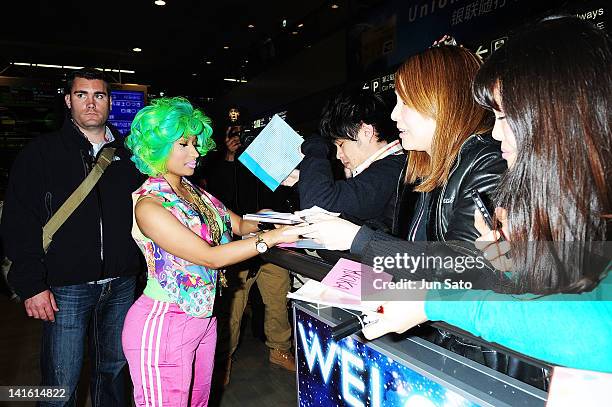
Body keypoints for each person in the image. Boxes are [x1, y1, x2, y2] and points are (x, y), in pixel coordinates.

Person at [355, 16, 612, 373]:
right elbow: (528, 286)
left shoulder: (483, 164)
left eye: (505, 116)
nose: (495, 134)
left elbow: (596, 329)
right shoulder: (428, 170)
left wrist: (433, 300)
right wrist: (501, 254)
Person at [121, 97, 300, 406]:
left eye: (195, 142)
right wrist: (270, 240)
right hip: (165, 322)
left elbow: (240, 224)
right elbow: (209, 256)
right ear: (157, 147)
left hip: (204, 319)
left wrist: (269, 220)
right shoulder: (149, 205)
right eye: (184, 144)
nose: (196, 152)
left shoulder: (193, 191)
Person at [1, 68, 144, 405]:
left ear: (109, 102)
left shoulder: (132, 157)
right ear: (68, 101)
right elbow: (19, 221)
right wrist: (32, 284)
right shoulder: (41, 153)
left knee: (114, 373)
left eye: (99, 95)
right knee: (60, 382)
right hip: (65, 287)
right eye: (82, 95)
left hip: (121, 282)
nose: (91, 103)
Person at [203, 125, 298, 381]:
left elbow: (287, 192)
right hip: (239, 244)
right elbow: (220, 197)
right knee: (233, 307)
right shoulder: (223, 165)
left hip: (274, 242)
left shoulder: (272, 161)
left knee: (278, 299)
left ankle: (280, 349)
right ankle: (224, 359)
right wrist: (229, 158)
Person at [292, 89, 405, 232]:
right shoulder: (391, 167)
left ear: (366, 132)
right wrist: (301, 181)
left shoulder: (391, 169)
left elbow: (316, 205)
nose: (339, 155)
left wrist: (315, 145)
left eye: (341, 145)